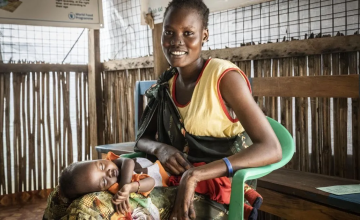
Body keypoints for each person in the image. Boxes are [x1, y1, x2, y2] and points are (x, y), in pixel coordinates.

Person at [135, 0, 282, 219]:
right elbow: (141, 139)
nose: (176, 42)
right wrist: (161, 149)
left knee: (126, 210)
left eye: (188, 33)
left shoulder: (223, 78)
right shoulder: (167, 84)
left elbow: (271, 148)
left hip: (222, 189)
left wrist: (194, 175)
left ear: (204, 36)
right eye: (169, 33)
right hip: (177, 180)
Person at [58, 152, 159, 217]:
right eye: (104, 181)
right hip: (163, 176)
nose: (109, 173)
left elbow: (128, 162)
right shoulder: (114, 187)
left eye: (101, 166)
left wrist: (124, 185)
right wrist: (130, 187)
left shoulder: (113, 161)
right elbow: (151, 182)